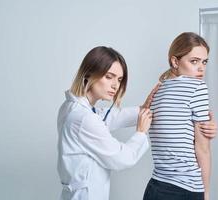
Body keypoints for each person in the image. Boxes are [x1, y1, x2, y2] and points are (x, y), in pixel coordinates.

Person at [57, 46, 159, 200]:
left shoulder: (72, 108)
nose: (115, 85)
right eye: (109, 77)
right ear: (89, 73)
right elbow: (122, 158)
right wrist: (141, 132)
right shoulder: (83, 118)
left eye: (119, 79)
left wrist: (142, 109)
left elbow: (108, 117)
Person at [143, 32, 217, 200]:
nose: (201, 68)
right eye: (194, 61)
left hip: (155, 187)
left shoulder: (157, 90)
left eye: (204, 62)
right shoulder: (198, 88)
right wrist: (206, 193)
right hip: (186, 187)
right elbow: (203, 149)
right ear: (175, 61)